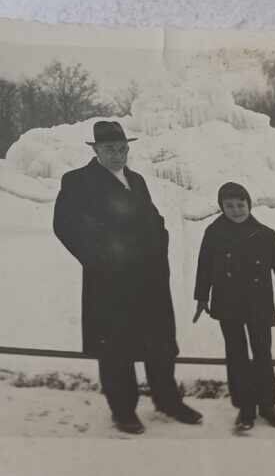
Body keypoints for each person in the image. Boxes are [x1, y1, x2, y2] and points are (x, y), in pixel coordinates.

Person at [53, 121, 203, 434]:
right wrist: (101, 261)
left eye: (122, 148)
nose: (117, 154)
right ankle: (123, 411)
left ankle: (167, 400)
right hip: (110, 281)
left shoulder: (136, 180)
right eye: (110, 149)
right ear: (96, 150)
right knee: (116, 347)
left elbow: (154, 220)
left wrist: (159, 250)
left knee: (160, 343)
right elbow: (65, 226)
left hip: (149, 278)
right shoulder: (78, 181)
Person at [193, 182, 275, 431]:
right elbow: (204, 267)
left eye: (240, 205)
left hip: (258, 303)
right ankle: (245, 407)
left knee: (262, 352)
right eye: (229, 206)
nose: (236, 210)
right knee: (236, 354)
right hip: (227, 303)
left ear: (249, 204)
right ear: (221, 207)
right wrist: (201, 298)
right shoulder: (214, 233)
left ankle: (267, 405)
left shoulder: (265, 234)